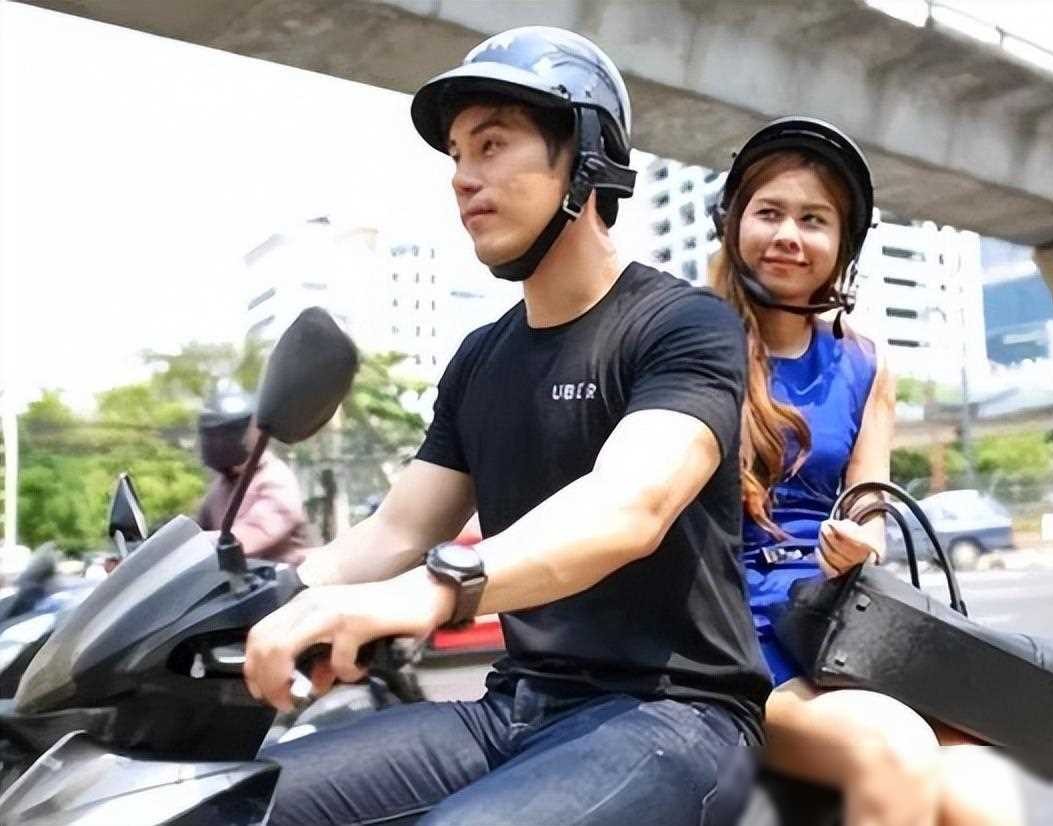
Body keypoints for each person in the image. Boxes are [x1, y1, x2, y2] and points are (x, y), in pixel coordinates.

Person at [244, 27, 769, 826]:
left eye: (491, 145)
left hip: (679, 715)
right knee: (230, 800)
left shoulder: (682, 324)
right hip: (516, 708)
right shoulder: (480, 358)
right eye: (457, 155)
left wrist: (434, 591)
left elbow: (628, 508)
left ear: (586, 157)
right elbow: (396, 529)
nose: (463, 177)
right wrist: (273, 598)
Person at [710, 117, 1024, 826]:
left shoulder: (866, 362)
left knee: (984, 798)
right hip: (731, 633)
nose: (789, 235)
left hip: (838, 626)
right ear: (733, 222)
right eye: (769, 212)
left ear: (843, 246)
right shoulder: (687, 340)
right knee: (892, 752)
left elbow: (869, 512)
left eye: (814, 220)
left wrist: (857, 545)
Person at [196, 390, 312, 566]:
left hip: (283, 578)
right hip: (234, 578)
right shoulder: (224, 483)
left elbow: (252, 535)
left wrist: (189, 548)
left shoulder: (274, 479)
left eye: (222, 434)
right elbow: (198, 529)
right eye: (210, 435)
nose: (215, 443)